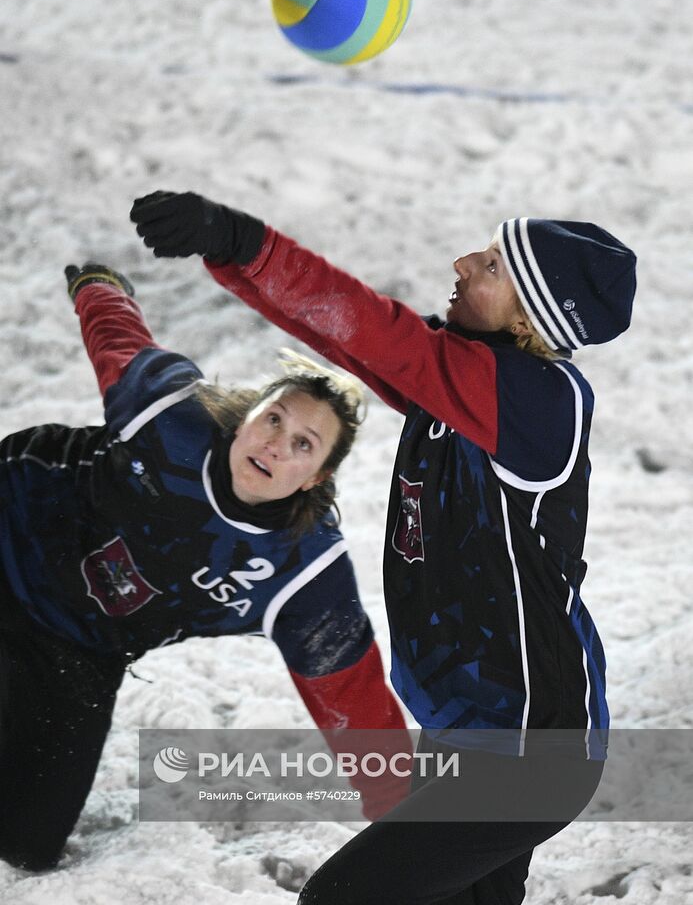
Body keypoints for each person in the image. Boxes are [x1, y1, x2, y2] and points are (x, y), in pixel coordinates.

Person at [131, 191, 637, 905]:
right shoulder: (465, 381)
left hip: (529, 751)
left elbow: (381, 331)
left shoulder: (536, 400)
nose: (463, 263)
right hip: (467, 730)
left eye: (491, 265)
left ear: (529, 318)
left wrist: (248, 239)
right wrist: (231, 257)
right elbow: (350, 339)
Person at [0, 262, 411, 873]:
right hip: (12, 522)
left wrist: (413, 831)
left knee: (27, 847)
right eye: (274, 419)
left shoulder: (303, 573)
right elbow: (118, 338)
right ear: (248, 413)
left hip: (80, 646)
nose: (275, 444)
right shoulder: (168, 413)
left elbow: (355, 701)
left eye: (303, 444)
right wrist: (99, 285)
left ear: (318, 476)